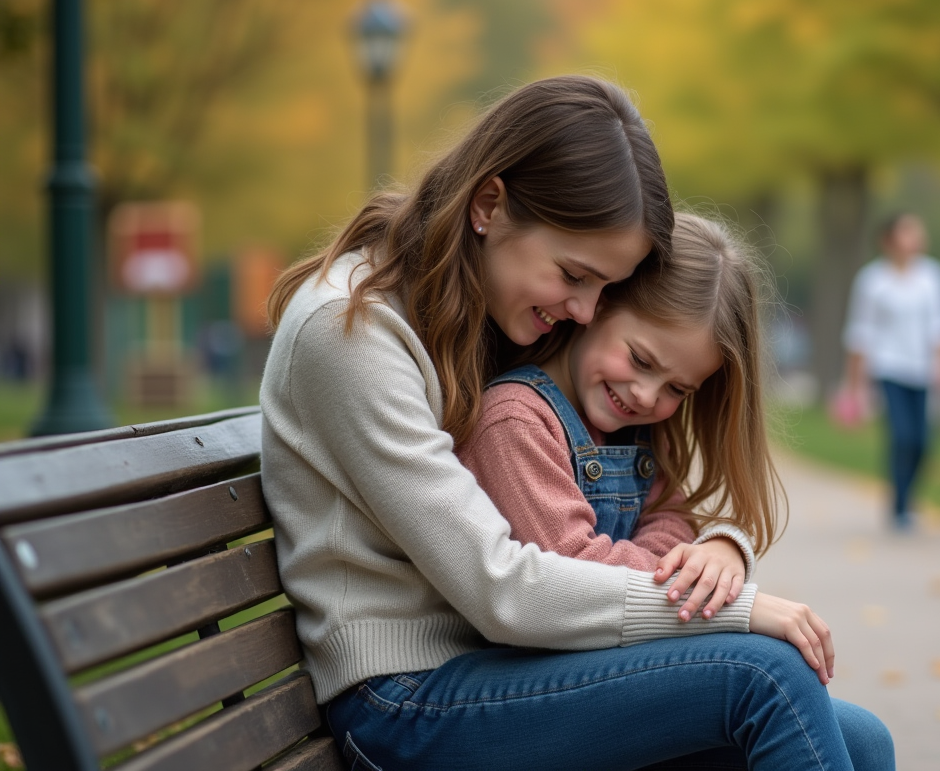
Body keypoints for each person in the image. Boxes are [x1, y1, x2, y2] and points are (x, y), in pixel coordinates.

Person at [261, 77, 893, 770]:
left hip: (508, 668)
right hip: (407, 701)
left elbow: (660, 507)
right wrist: (734, 608)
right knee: (765, 677)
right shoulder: (351, 332)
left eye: (603, 289)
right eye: (574, 275)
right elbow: (502, 588)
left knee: (861, 740)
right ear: (489, 206)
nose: (586, 313)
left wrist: (723, 546)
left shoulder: (484, 305)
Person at [457, 214, 778, 626]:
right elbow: (574, 570)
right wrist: (679, 574)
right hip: (533, 654)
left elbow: (671, 520)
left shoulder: (636, 433)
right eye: (641, 360)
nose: (647, 396)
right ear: (599, 304)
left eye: (677, 389)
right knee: (770, 657)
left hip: (607, 640)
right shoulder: (515, 421)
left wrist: (721, 548)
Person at [842, 213, 940, 529]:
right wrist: (854, 386)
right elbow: (860, 333)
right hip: (888, 368)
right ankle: (899, 505)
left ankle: (908, 496)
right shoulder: (872, 280)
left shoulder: (933, 276)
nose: (917, 239)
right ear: (889, 240)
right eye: (909, 233)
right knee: (902, 435)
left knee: (923, 441)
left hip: (924, 370)